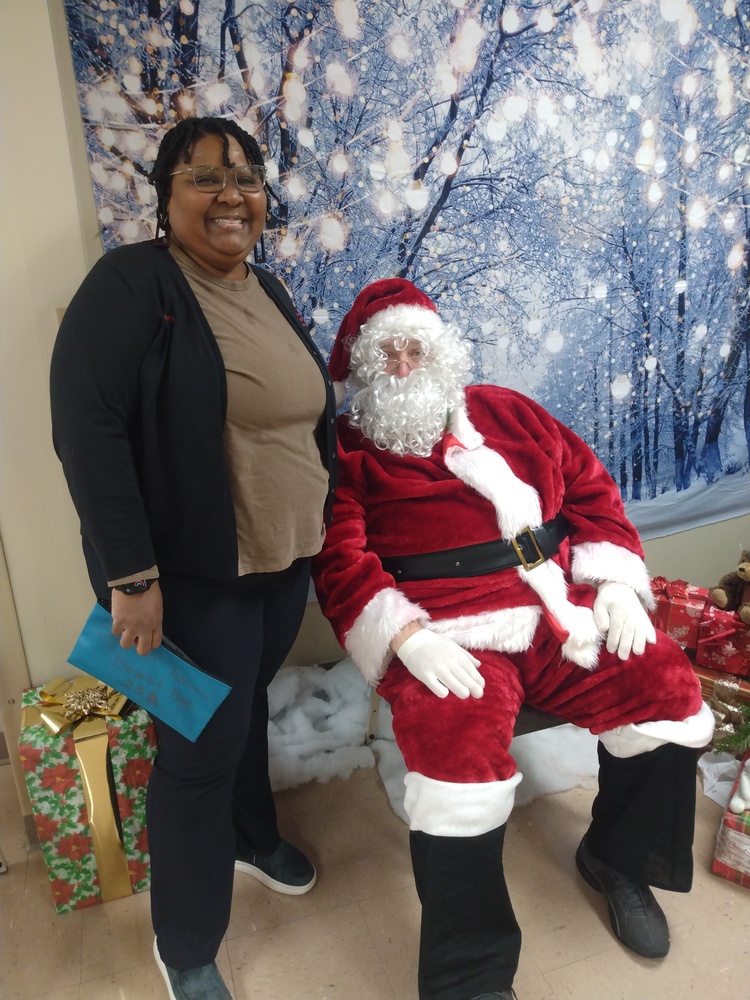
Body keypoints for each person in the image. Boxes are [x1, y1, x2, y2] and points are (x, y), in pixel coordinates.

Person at [311, 278, 715, 1000]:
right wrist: (404, 638)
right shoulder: (349, 451)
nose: (402, 365)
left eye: (414, 350)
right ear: (365, 369)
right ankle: (471, 975)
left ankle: (617, 859)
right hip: (445, 632)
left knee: (665, 688)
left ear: (440, 353)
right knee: (456, 762)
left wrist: (615, 584)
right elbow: (339, 560)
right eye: (386, 355)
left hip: (558, 608)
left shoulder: (509, 411)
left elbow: (591, 490)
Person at [50, 116, 338, 1000]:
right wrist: (131, 578)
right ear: (165, 196)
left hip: (280, 562)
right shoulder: (131, 285)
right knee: (198, 753)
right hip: (192, 578)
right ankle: (185, 943)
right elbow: (89, 435)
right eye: (204, 176)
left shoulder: (267, 286)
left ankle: (251, 837)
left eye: (245, 176)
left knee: (243, 709)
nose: (230, 194)